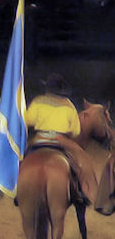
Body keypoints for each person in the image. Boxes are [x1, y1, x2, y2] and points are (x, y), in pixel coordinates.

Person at [25, 73, 98, 205]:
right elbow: (76, 131)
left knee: (25, 157)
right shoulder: (69, 105)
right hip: (61, 141)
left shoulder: (38, 101)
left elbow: (28, 120)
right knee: (77, 165)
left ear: (47, 88)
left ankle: (19, 189)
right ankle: (79, 192)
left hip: (39, 139)